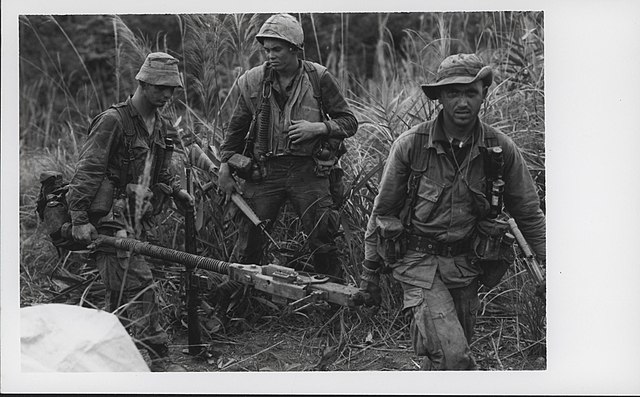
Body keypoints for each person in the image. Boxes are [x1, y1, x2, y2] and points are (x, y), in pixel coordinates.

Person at [359, 53, 546, 370]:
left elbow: (529, 213)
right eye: (452, 93)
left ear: (483, 95)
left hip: (467, 265)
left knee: (447, 354)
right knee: (455, 357)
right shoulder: (410, 145)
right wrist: (369, 273)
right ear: (439, 98)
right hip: (417, 263)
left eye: (470, 92)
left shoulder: (500, 149)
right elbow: (383, 211)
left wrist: (553, 267)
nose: (462, 102)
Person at [66, 52, 193, 371]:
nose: (167, 95)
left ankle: (111, 355)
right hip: (110, 218)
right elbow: (88, 170)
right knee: (140, 281)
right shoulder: (113, 120)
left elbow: (159, 169)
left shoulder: (160, 124)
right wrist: (79, 218)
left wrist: (177, 191)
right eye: (161, 88)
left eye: (172, 89)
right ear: (143, 82)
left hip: (138, 216)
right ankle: (161, 357)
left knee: (119, 290)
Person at [218, 13, 358, 280]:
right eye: (267, 49)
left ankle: (336, 305)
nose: (270, 55)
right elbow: (235, 131)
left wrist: (318, 128)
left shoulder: (318, 77)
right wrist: (225, 169)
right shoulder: (253, 81)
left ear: (295, 49)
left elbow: (349, 122)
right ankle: (240, 304)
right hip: (264, 172)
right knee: (249, 242)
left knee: (322, 238)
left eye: (277, 49)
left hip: (307, 171)